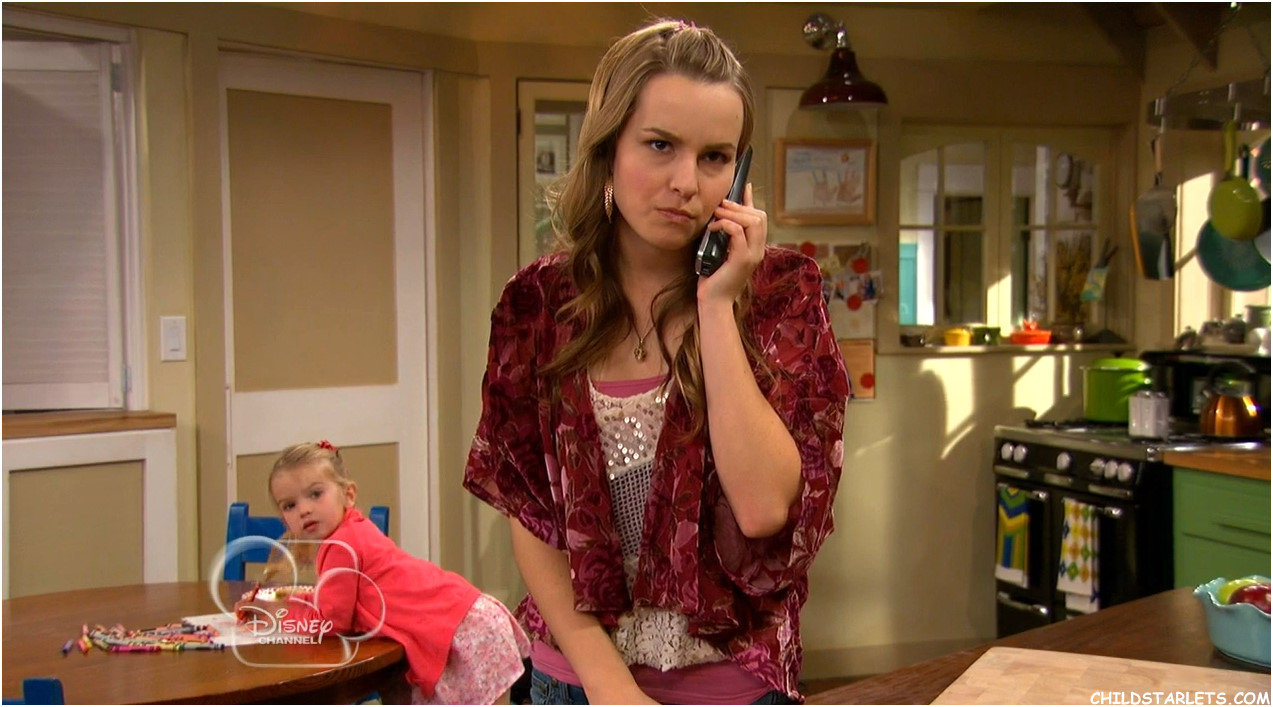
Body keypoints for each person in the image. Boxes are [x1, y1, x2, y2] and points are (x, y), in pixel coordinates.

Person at [463, 18, 850, 705]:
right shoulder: (537, 304)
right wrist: (611, 687)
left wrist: (716, 306)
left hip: (731, 686)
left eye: (715, 156)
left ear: (740, 173)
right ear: (608, 148)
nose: (686, 182)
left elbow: (763, 509)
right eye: (660, 145)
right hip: (576, 682)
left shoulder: (782, 294)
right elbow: (533, 517)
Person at [238, 441, 530, 705]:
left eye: (315, 494)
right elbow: (333, 600)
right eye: (290, 505)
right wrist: (291, 603)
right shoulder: (351, 529)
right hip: (469, 617)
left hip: (464, 632)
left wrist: (278, 614)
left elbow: (332, 622)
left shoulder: (341, 547)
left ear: (348, 495)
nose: (304, 510)